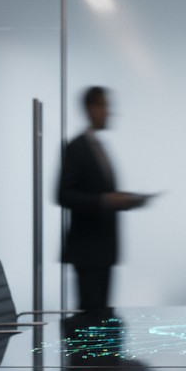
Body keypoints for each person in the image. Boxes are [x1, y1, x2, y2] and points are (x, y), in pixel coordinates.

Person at [58, 86, 148, 314]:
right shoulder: (77, 147)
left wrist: (124, 200)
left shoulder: (98, 147)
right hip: (88, 250)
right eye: (105, 106)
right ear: (91, 108)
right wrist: (105, 201)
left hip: (104, 250)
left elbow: (100, 192)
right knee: (91, 318)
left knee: (101, 316)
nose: (109, 112)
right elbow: (63, 194)